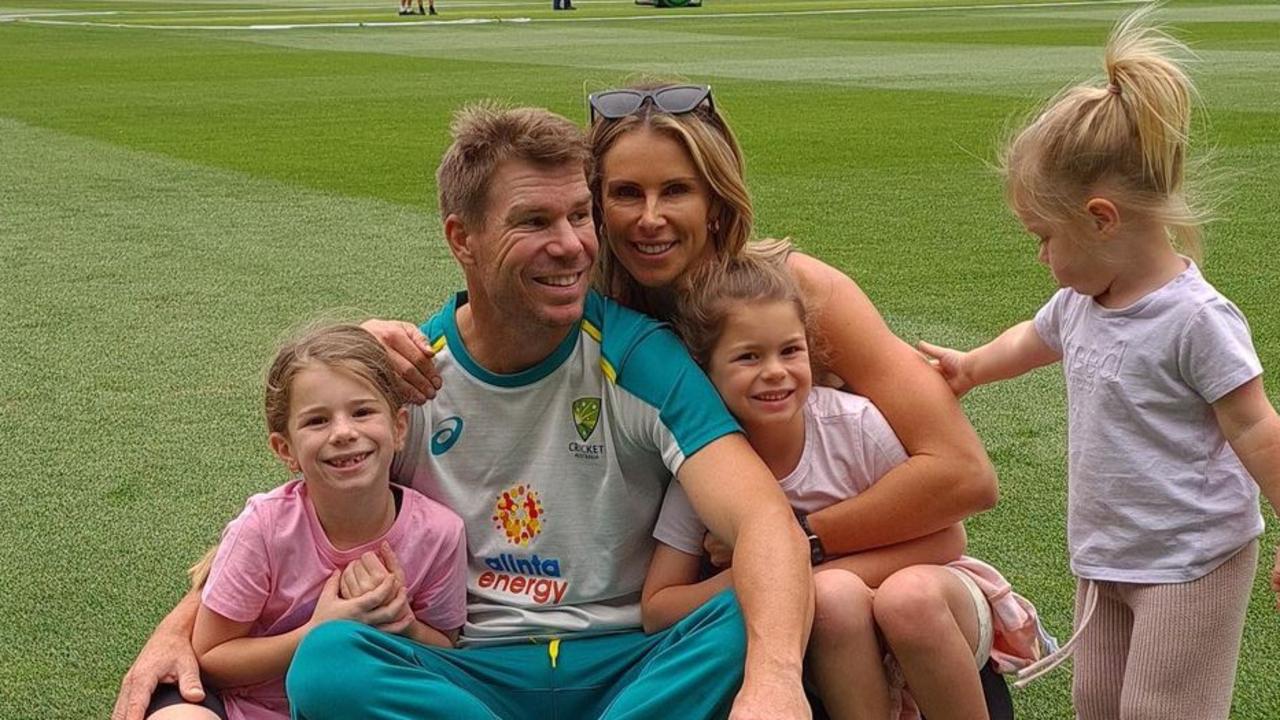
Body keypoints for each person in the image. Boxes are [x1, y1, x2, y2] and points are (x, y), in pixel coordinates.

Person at [114, 106, 814, 720]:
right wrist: (182, 624)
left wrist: (776, 683)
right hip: (472, 671)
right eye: (534, 221)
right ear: (462, 238)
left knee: (747, 613)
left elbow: (760, 519)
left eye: (579, 215)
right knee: (332, 660)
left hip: (625, 662)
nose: (571, 245)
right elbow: (294, 513)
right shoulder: (413, 374)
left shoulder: (638, 355)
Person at [916, 8, 1280, 719]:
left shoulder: (1196, 319)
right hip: (1108, 550)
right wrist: (972, 368)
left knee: (1160, 710)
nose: (1041, 256)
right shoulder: (1084, 301)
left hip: (1190, 558)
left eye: (1044, 236)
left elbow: (1256, 428)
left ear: (1102, 218)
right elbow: (1033, 339)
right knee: (1098, 702)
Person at [641, 255, 1053, 720]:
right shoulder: (708, 461)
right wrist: (760, 573)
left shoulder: (852, 425)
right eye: (748, 356)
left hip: (932, 605)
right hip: (839, 634)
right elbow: (658, 608)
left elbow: (948, 537)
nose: (775, 370)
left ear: (811, 350)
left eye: (790, 351)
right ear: (705, 370)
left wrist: (795, 567)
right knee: (834, 599)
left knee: (905, 599)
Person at [145, 324, 467, 720]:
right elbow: (210, 657)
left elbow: (446, 654)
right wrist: (316, 631)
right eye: (317, 421)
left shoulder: (439, 534)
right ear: (286, 449)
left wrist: (403, 624)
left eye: (363, 412)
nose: (344, 432)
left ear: (398, 428)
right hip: (248, 708)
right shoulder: (264, 527)